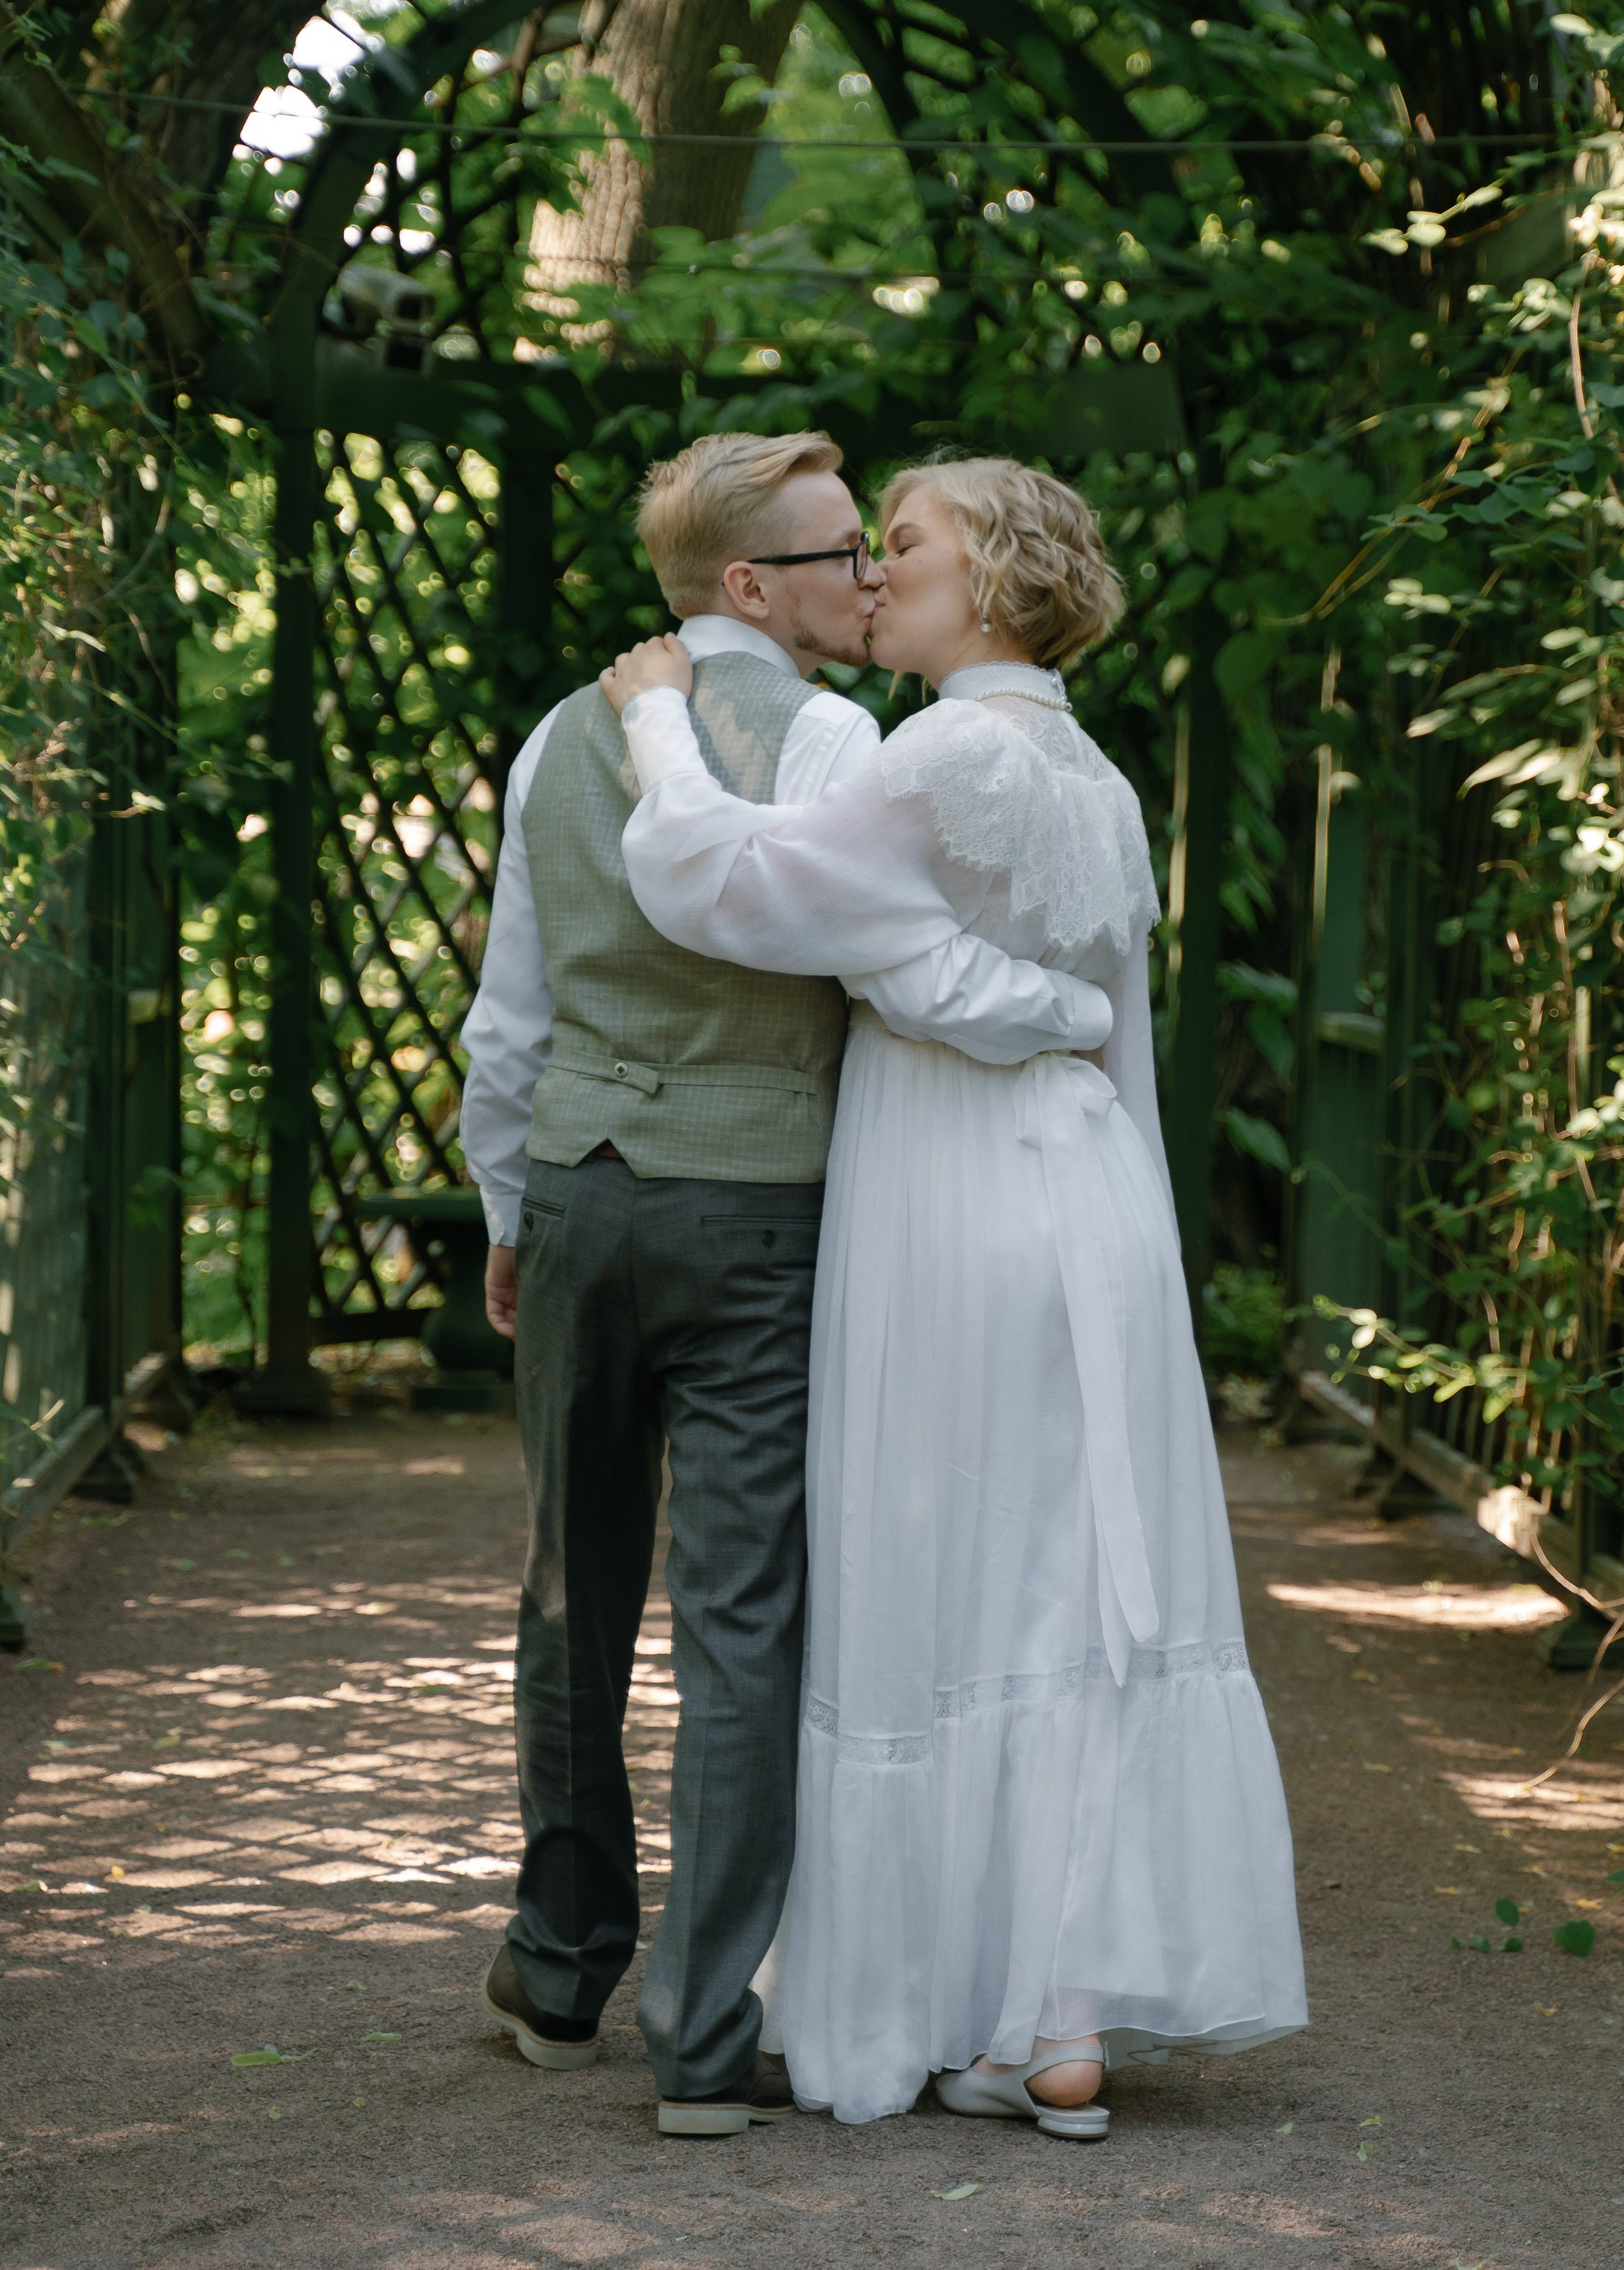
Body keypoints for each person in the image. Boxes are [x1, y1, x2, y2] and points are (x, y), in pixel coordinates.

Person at [602, 455, 1306, 2136]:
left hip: (953, 1200)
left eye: (903, 544)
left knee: (934, 1571)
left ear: (983, 576)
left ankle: (915, 2002)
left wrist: (651, 724)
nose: (875, 571)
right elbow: (1094, 1022)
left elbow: (740, 890)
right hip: (1095, 1206)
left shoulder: (937, 753)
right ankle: (1054, 2021)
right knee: (1063, 1590)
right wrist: (1012, 1010)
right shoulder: (1101, 779)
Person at [461, 429, 1111, 2138]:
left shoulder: (555, 739)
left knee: (570, 1590)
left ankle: (554, 1963)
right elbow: (877, 951)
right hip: (760, 1213)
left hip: (585, 1192)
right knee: (741, 1620)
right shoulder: (841, 738)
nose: (869, 579)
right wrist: (1065, 1018)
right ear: (748, 583)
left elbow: (510, 1008)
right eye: (838, 556)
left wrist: (504, 1207)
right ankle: (695, 2040)